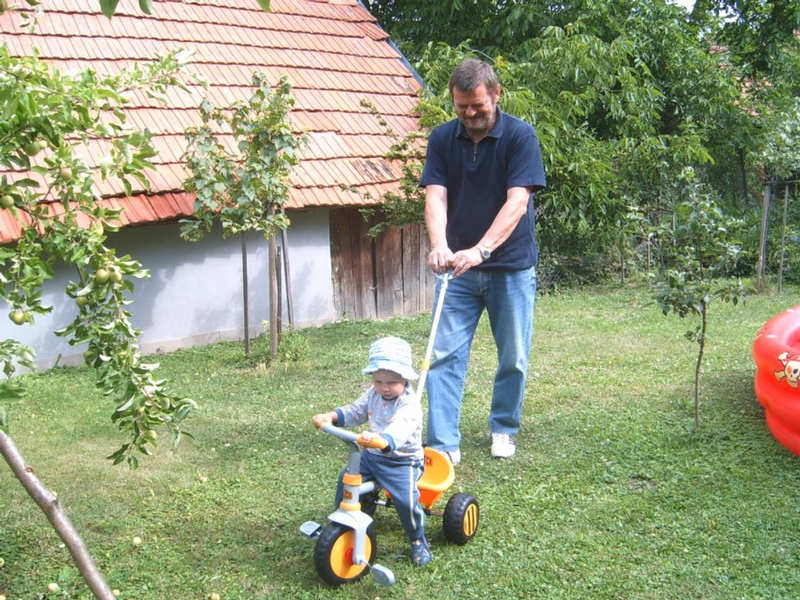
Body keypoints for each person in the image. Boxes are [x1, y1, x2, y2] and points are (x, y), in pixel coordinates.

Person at [419, 58, 547, 465]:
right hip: (455, 270)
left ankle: (504, 427)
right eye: (462, 108)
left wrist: (481, 250)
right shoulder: (442, 139)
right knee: (444, 355)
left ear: (496, 94)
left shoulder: (520, 137)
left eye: (477, 106)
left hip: (509, 267)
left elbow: (518, 201)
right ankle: (442, 444)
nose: (470, 114)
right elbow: (435, 194)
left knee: (513, 355)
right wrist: (439, 244)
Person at [311, 336, 431, 566]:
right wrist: (332, 416)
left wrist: (383, 439)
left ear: (404, 379)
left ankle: (417, 538)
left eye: (392, 382)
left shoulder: (409, 405)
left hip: (401, 461)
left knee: (406, 501)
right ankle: (343, 522)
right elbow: (356, 411)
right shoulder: (373, 394)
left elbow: (400, 429)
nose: (384, 388)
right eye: (379, 381)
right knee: (346, 480)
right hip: (372, 456)